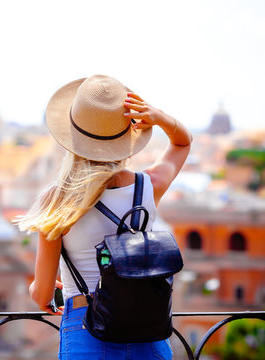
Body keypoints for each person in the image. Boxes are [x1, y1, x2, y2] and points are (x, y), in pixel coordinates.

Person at [16, 74, 192, 359]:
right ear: (126, 135)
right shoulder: (148, 185)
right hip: (147, 328)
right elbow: (182, 143)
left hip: (86, 330)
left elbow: (42, 296)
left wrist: (41, 286)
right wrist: (160, 118)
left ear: (71, 136)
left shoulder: (58, 201)